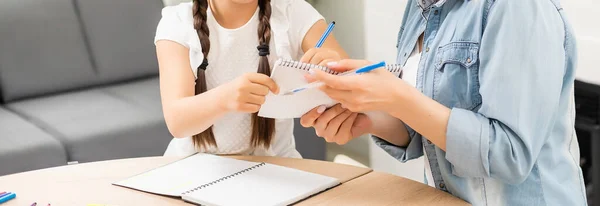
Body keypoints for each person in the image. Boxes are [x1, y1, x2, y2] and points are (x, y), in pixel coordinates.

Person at [301, 0, 586, 204]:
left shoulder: (517, 7)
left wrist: (398, 97)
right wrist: (367, 118)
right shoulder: (419, 8)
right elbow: (427, 130)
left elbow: (509, 155)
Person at [155, 0, 347, 158]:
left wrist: (335, 67)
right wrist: (225, 98)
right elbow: (177, 121)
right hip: (193, 168)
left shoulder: (293, 11)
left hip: (278, 167)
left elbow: (352, 79)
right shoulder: (177, 22)